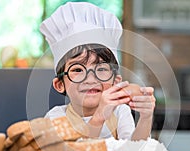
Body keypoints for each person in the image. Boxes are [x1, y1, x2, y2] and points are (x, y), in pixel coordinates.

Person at [40, 2, 155, 140]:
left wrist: (146, 118)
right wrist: (99, 117)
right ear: (60, 84)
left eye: (100, 69)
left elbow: (134, 149)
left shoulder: (119, 112)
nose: (90, 79)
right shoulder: (56, 117)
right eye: (77, 69)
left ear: (115, 81)